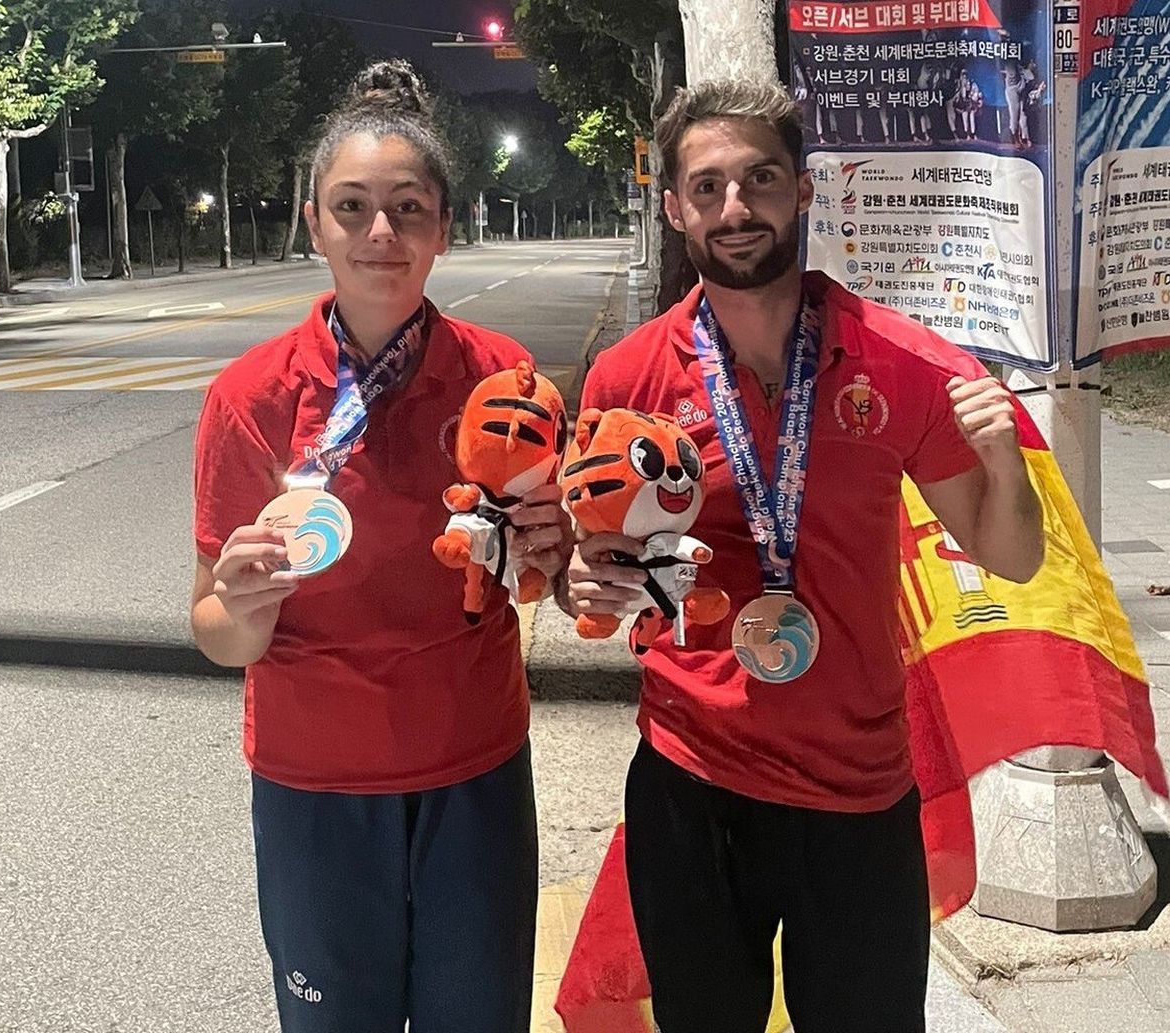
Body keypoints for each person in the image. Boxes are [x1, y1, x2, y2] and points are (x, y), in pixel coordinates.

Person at [559, 79, 1044, 1033]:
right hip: (691, 783)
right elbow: (599, 563)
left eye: (760, 179)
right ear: (673, 206)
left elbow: (1010, 555)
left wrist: (1004, 459)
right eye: (708, 188)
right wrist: (590, 578)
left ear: (804, 190)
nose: (735, 209)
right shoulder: (629, 376)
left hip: (859, 790)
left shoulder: (900, 362)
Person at [190, 59, 569, 1033]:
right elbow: (219, 635)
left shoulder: (502, 381)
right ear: (312, 221)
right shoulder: (252, 397)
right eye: (351, 206)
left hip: (472, 770)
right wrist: (238, 601)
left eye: (407, 207)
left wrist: (549, 547)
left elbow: (532, 581)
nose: (380, 233)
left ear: (444, 225)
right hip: (315, 783)